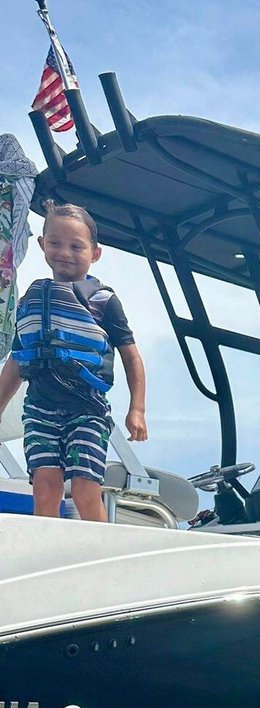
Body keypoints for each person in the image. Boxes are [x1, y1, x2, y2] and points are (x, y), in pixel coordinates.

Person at [0, 201, 147, 521]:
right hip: (40, 408)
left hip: (87, 408)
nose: (64, 252)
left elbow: (131, 356)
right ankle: (46, 550)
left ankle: (101, 548)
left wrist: (137, 408)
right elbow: (18, 358)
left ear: (95, 253)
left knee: (83, 486)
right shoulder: (33, 300)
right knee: (45, 486)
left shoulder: (103, 301)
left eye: (75, 246)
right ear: (42, 244)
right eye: (55, 243)